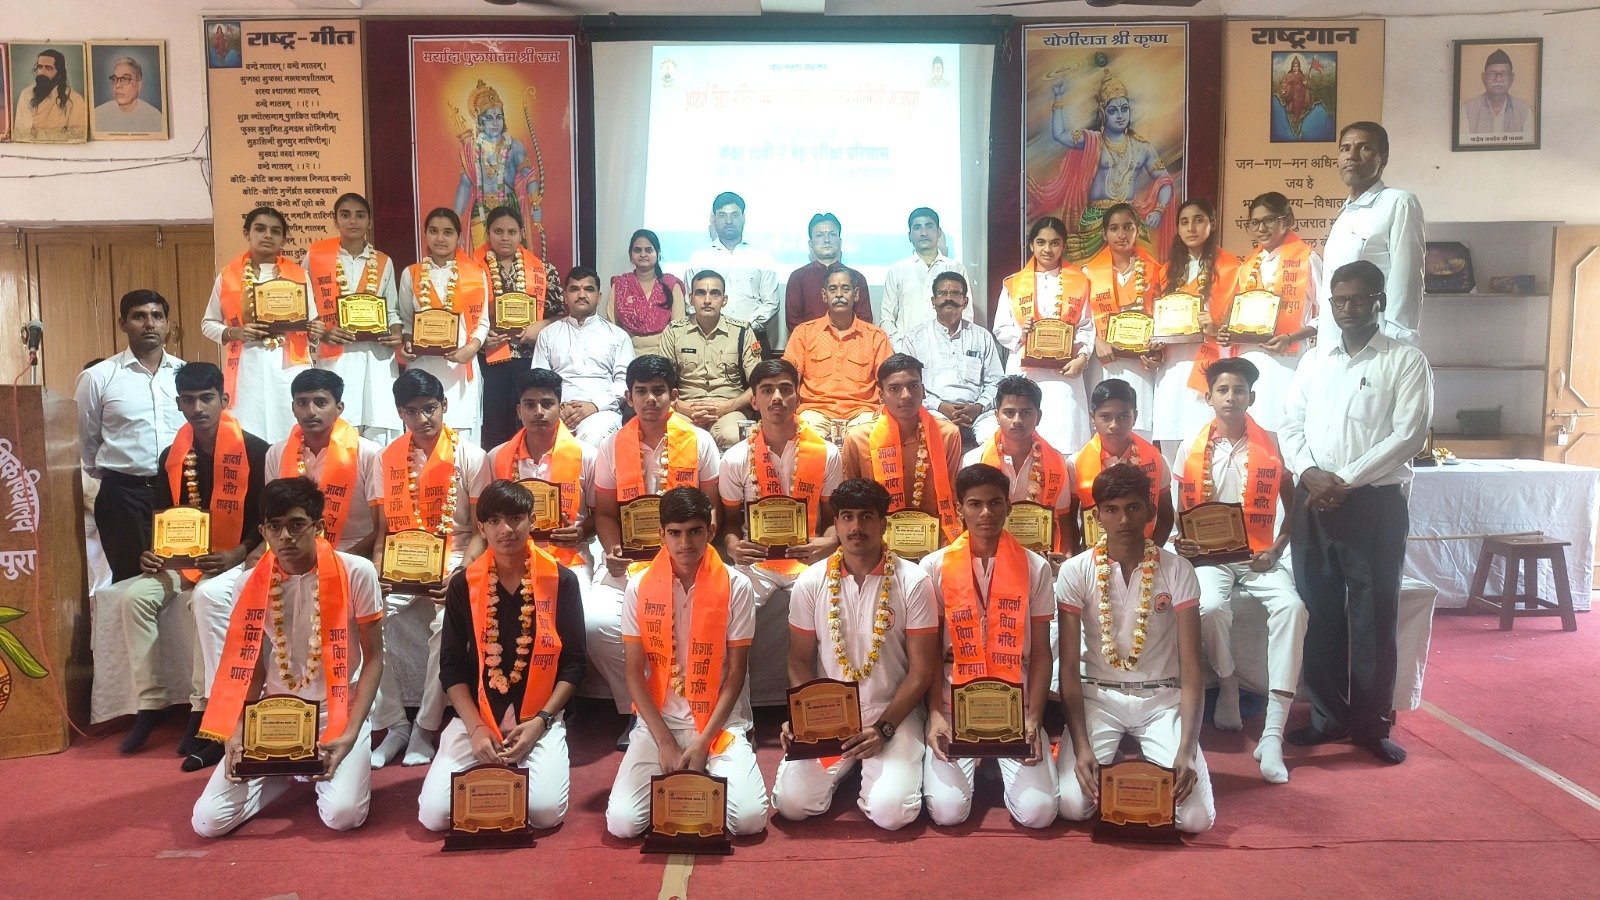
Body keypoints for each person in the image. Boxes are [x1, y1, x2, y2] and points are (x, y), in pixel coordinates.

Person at [1280, 260, 1433, 765]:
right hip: (1312, 500)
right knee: (1319, 611)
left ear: (1379, 302)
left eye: (1359, 298)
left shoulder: (1405, 361)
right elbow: (1290, 425)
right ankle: (1326, 717)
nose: (1348, 308)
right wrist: (1309, 472)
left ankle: (1371, 725)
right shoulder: (1314, 361)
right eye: (1339, 299)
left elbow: (1408, 435)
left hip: (1373, 505)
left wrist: (1342, 481)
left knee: (1373, 616)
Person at [190, 477, 384, 837]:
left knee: (342, 816)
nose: (285, 537)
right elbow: (248, 668)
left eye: (296, 525)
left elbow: (374, 659)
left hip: (336, 713)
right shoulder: (248, 583)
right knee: (208, 822)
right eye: (275, 526)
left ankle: (336, 760)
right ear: (263, 530)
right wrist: (236, 732)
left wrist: (351, 731)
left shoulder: (357, 572)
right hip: (273, 718)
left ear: (318, 526)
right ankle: (279, 776)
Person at [114, 362, 268, 767]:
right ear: (179, 403)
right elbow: (162, 514)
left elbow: (266, 518)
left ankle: (201, 708)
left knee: (205, 597)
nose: (197, 408)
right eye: (188, 400)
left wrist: (239, 552)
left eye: (206, 398)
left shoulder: (256, 450)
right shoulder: (173, 455)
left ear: (224, 399)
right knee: (133, 598)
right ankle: (150, 703)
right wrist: (152, 551)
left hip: (232, 559)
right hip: (182, 560)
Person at [418, 480, 587, 832]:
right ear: (481, 528)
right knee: (433, 817)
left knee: (544, 813)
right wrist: (476, 728)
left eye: (515, 518)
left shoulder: (562, 581)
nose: (506, 529)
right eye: (494, 521)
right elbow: (451, 668)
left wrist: (541, 721)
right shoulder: (464, 584)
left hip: (537, 716)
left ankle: (534, 750)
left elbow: (574, 664)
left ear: (532, 520)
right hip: (479, 714)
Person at [1056, 464, 1215, 834]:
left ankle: (1145, 759)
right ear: (1096, 516)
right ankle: (1100, 755)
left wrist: (1187, 751)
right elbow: (1068, 670)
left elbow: (1193, 670)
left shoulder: (1177, 569)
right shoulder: (1076, 571)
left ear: (1151, 511)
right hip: (1099, 699)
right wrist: (1082, 747)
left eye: (1133, 508)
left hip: (1161, 700)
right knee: (1072, 805)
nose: (1123, 519)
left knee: (1195, 820)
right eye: (1111, 509)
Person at [772, 478, 938, 830]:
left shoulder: (914, 581)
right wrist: (804, 718)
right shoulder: (811, 581)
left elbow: (922, 670)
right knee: (793, 804)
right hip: (831, 716)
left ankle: (873, 766)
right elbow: (799, 660)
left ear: (883, 523)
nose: (856, 527)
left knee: (892, 814)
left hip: (894, 712)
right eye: (846, 516)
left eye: (866, 516)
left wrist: (884, 728)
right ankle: (849, 766)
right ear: (835, 523)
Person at [605, 486, 769, 838]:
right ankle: (694, 778)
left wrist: (704, 741)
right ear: (661, 534)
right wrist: (665, 741)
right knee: (622, 824)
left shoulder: (737, 585)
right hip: (660, 720)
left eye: (695, 531)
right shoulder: (639, 586)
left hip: (719, 723)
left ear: (711, 531)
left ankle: (709, 768)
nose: (685, 543)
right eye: (675, 533)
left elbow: (737, 673)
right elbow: (633, 672)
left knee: (750, 821)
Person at [1172, 357, 1307, 783]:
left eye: (1239, 391)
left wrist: (1277, 550)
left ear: (1252, 397)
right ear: (1208, 397)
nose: (1231, 397)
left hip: (1258, 556)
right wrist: (1184, 541)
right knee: (1209, 607)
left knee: (1293, 609)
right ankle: (1228, 684)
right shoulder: (1190, 447)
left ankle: (1273, 733)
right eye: (1223, 390)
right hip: (1211, 558)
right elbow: (1179, 511)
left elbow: (1295, 509)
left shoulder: (1271, 447)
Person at [921, 464, 1059, 829]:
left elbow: (1042, 653)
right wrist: (934, 714)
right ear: (960, 509)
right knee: (948, 812)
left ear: (1009, 506)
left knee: (1039, 814)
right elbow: (930, 651)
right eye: (975, 504)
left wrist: (1033, 718)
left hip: (1016, 702)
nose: (986, 513)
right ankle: (982, 766)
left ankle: (997, 764)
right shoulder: (934, 566)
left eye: (995, 502)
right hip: (954, 701)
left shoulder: (1036, 567)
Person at [589, 355, 721, 733]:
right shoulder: (611, 446)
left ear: (673, 395)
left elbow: (712, 508)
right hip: (631, 562)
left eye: (659, 391)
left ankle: (686, 706)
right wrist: (612, 550)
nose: (650, 399)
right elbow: (605, 513)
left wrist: (690, 551)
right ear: (629, 397)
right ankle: (638, 709)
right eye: (641, 391)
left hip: (687, 559)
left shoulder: (700, 441)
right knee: (596, 624)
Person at [368, 369, 492, 768]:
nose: (422, 419)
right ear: (399, 413)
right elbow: (383, 532)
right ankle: (394, 725)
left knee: (446, 624)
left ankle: (424, 726)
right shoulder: (387, 458)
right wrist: (377, 572)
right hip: (401, 560)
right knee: (365, 617)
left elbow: (482, 530)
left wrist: (462, 572)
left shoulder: (471, 456)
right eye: (411, 411)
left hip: (455, 555)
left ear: (445, 406)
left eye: (430, 408)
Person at [717, 359, 843, 702]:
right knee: (725, 615)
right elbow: (729, 523)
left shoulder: (826, 453)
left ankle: (827, 706)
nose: (777, 398)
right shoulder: (735, 458)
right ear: (754, 400)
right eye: (767, 390)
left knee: (837, 614)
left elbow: (833, 517)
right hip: (756, 562)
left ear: (797, 397)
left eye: (786, 389)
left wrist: (829, 541)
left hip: (809, 559)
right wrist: (733, 546)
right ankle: (733, 710)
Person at [76, 289, 186, 584]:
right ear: (122, 323)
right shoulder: (98, 377)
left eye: (157, 316)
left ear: (167, 324)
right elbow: (86, 439)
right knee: (129, 582)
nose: (150, 323)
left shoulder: (184, 375)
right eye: (139, 316)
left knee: (180, 578)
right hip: (123, 496)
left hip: (180, 492)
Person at [1034, 64, 1176, 261]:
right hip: (1094, 222)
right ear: (1102, 113)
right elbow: (1060, 135)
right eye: (1113, 110)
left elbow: (1165, 181)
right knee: (1088, 273)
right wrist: (1058, 98)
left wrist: (1159, 210)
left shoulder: (1142, 148)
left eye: (1124, 109)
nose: (1120, 115)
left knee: (1143, 269)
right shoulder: (1093, 141)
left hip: (1129, 222)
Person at [202, 206, 316, 443]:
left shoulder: (298, 274)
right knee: (248, 435)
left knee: (290, 433)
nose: (268, 235)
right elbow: (208, 324)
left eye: (276, 231)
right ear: (247, 233)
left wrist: (316, 331)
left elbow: (312, 323)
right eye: (260, 229)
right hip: (247, 365)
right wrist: (234, 332)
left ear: (283, 239)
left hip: (288, 365)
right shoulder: (228, 275)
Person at [304, 193, 403, 446]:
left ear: (369, 221)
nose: (353, 221)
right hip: (338, 357)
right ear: (335, 220)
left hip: (376, 358)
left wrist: (395, 332)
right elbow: (305, 307)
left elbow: (392, 311)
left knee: (378, 435)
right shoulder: (316, 257)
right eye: (345, 215)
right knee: (338, 432)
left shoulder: (384, 261)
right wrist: (324, 332)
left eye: (360, 215)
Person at [842, 355, 963, 559]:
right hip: (875, 542)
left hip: (935, 542)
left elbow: (954, 496)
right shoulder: (858, 438)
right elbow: (849, 501)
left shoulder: (948, 435)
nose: (906, 395)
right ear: (881, 395)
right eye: (895, 388)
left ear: (923, 390)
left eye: (913, 386)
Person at [992, 217, 1096, 453]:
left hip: (1065, 373)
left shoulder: (1080, 282)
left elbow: (1087, 326)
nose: (1047, 249)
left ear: (1064, 245)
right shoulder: (1014, 283)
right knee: (1022, 441)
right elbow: (1001, 328)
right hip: (1026, 371)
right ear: (1031, 245)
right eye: (1041, 242)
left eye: (1055, 243)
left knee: (1066, 442)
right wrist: (1022, 333)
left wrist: (1082, 358)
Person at [1221, 192, 1322, 433]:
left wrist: (1291, 337)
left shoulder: (1308, 259)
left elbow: (1329, 314)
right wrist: (1226, 333)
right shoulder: (1247, 266)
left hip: (1287, 361)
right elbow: (1235, 315)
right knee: (1252, 433)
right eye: (1254, 222)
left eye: (1268, 220)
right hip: (1250, 361)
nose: (1261, 228)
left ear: (1287, 220)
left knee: (1284, 430)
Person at [484, 367, 596, 582]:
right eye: (530, 405)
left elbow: (602, 514)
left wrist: (582, 532)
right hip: (508, 555)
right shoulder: (496, 457)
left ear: (560, 408)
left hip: (569, 556)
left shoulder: (587, 455)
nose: (538, 412)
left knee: (581, 600)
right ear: (519, 411)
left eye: (547, 404)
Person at [1319, 122, 1425, 348]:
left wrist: (1397, 347)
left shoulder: (1398, 202)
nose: (1351, 156)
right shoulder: (1344, 215)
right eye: (1345, 148)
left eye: (1364, 148)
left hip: (1377, 345)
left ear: (1383, 159)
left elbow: (1406, 281)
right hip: (1333, 344)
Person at [473, 205, 564, 452]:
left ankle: (522, 470)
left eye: (512, 232)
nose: (505, 238)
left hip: (529, 358)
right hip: (488, 358)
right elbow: (463, 317)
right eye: (498, 231)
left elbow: (560, 316)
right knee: (492, 425)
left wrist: (541, 325)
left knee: (524, 424)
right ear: (488, 233)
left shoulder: (543, 270)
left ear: (522, 233)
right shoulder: (473, 270)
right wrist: (481, 337)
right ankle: (495, 472)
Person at [1152, 199, 1241, 449]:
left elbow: (1241, 322)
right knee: (1172, 442)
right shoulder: (1166, 271)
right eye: (1184, 222)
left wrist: (1217, 325)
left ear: (1212, 223)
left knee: (1208, 442)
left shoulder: (1232, 268)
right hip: (1171, 366)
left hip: (1210, 361)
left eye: (1198, 220)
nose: (1191, 228)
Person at [397, 208, 490, 446]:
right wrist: (407, 342)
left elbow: (483, 321)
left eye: (448, 232)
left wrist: (471, 348)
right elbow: (406, 319)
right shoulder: (411, 273)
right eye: (434, 231)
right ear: (425, 235)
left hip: (459, 369)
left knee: (460, 442)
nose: (440, 238)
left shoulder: (475, 274)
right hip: (422, 366)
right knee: (421, 439)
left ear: (459, 237)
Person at [964, 375, 1076, 559]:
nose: (1017, 420)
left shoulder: (1056, 462)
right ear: (997, 416)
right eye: (1009, 412)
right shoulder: (974, 460)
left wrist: (1065, 561)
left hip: (1039, 557)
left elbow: (1063, 518)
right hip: (990, 556)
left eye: (1026, 412)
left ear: (1038, 417)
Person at [784, 264, 894, 443]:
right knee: (807, 442)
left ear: (856, 294)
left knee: (867, 440)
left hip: (863, 412)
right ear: (824, 295)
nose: (839, 294)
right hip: (814, 411)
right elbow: (787, 376)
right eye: (833, 289)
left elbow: (889, 380)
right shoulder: (804, 332)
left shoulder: (875, 336)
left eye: (846, 289)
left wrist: (883, 409)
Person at [1081, 203, 1164, 441]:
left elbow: (1164, 317)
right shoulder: (1088, 272)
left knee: (1139, 431)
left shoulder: (1156, 271)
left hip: (1141, 365)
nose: (1121, 234)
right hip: (1104, 362)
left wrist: (1158, 349)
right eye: (1114, 228)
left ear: (1138, 230)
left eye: (1128, 227)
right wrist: (1097, 341)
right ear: (1104, 233)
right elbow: (1082, 318)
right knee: (1103, 429)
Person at [529, 266, 634, 448]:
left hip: (602, 412)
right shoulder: (548, 334)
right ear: (565, 296)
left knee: (590, 441)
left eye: (589, 289)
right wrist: (558, 407)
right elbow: (539, 381)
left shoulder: (617, 336)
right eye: (574, 289)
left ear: (599, 297)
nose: (582, 295)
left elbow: (626, 382)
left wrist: (594, 405)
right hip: (557, 412)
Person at [898, 271, 1004, 449]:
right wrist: (940, 406)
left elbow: (996, 381)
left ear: (965, 301)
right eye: (942, 294)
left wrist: (979, 407)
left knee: (996, 437)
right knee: (939, 434)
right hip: (933, 411)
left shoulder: (982, 336)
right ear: (933, 301)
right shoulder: (914, 338)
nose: (949, 298)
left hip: (978, 413)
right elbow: (909, 385)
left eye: (955, 293)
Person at [659, 270, 763, 450]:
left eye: (715, 293)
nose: (707, 300)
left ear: (724, 300)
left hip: (730, 410)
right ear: (690, 298)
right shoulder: (674, 332)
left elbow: (759, 383)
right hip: (686, 409)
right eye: (700, 293)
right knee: (671, 433)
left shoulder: (742, 332)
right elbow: (660, 382)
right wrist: (679, 405)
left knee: (733, 436)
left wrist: (729, 406)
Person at [1072, 378, 1173, 550]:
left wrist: (1150, 554)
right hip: (1093, 556)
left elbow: (1165, 516)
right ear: (1092, 417)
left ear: (1135, 417)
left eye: (1123, 416)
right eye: (1105, 416)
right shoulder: (1075, 464)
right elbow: (1070, 520)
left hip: (1144, 553)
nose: (1114, 425)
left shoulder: (1156, 459)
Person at [453, 80, 544, 257]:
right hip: (481, 208)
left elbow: (530, 176)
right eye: (488, 118)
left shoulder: (515, 146)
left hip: (508, 207)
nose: (495, 123)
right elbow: (464, 186)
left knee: (513, 260)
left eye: (499, 117)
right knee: (480, 260)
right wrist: (454, 222)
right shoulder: (471, 150)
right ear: (479, 121)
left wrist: (535, 203)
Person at [685, 192, 780, 348]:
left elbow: (771, 303)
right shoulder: (699, 258)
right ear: (713, 219)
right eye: (722, 215)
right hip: (709, 338)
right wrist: (714, 326)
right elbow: (691, 303)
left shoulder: (763, 257)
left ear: (744, 218)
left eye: (735, 215)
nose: (729, 221)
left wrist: (745, 328)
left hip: (753, 337)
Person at [880, 208, 970, 346]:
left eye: (929, 226)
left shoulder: (956, 268)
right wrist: (900, 347)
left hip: (948, 347)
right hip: (906, 350)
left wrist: (956, 345)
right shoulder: (897, 270)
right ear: (910, 236)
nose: (924, 233)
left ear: (938, 232)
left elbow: (967, 312)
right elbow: (886, 317)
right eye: (917, 227)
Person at [784, 213, 873, 336]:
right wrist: (821, 341)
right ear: (811, 244)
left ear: (840, 241)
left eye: (832, 234)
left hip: (851, 343)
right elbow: (793, 322)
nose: (827, 240)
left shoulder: (857, 277)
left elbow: (865, 320)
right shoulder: (797, 277)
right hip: (809, 344)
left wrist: (843, 340)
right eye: (820, 235)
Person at [605, 228, 684, 358]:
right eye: (637, 250)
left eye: (648, 250)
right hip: (627, 355)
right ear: (630, 254)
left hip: (664, 356)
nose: (643, 254)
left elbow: (678, 329)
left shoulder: (671, 285)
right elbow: (613, 328)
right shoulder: (620, 285)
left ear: (658, 253)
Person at [14, 48, 87, 141]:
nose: (42, 72)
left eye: (48, 68)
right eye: (40, 67)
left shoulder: (75, 99)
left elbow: (78, 137)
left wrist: (39, 134)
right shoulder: (26, 94)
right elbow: (20, 134)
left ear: (59, 73)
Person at [1461, 49, 1533, 137]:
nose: (1498, 79)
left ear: (1512, 78)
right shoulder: (1468, 110)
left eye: (1504, 74)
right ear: (1483, 78)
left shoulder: (1524, 110)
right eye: (1492, 73)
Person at [92, 56, 163, 134]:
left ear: (139, 85)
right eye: (115, 79)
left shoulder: (155, 118)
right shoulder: (98, 115)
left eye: (125, 79)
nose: (118, 85)